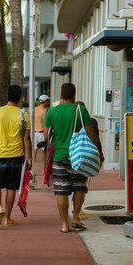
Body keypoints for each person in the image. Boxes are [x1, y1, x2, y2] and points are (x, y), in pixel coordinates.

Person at [44, 83, 104, 233]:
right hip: (78, 156)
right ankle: (76, 217)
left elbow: (46, 135)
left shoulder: (52, 112)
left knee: (61, 191)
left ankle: (65, 224)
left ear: (61, 95)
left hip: (58, 156)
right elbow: (91, 133)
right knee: (79, 187)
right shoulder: (80, 110)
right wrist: (98, 151)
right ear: (74, 95)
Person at [0, 85, 32, 228]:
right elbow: (27, 138)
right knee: (11, 188)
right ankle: (7, 219)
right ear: (20, 98)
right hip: (16, 158)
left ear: (7, 96)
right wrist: (30, 157)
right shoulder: (23, 114)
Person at [33, 94, 50, 174]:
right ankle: (44, 170)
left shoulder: (34, 109)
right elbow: (45, 123)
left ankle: (31, 169)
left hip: (34, 133)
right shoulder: (45, 110)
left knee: (34, 153)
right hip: (42, 133)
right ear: (45, 101)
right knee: (44, 153)